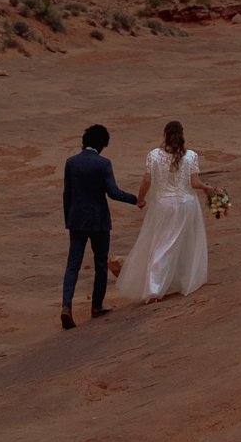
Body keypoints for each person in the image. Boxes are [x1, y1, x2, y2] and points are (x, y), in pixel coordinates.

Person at [110, 119, 210, 305]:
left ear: (165, 135)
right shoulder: (191, 156)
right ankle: (178, 281)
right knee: (184, 243)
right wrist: (207, 188)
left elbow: (147, 181)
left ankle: (154, 288)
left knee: (161, 244)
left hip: (163, 205)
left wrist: (140, 199)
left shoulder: (154, 155)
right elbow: (194, 183)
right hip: (187, 205)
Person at [60, 122, 137, 330]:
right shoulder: (103, 164)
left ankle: (66, 306)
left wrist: (69, 218)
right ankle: (96, 306)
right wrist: (135, 199)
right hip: (98, 220)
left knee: (72, 265)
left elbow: (67, 194)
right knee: (100, 263)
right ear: (102, 144)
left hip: (76, 220)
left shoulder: (71, 163)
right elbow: (113, 192)